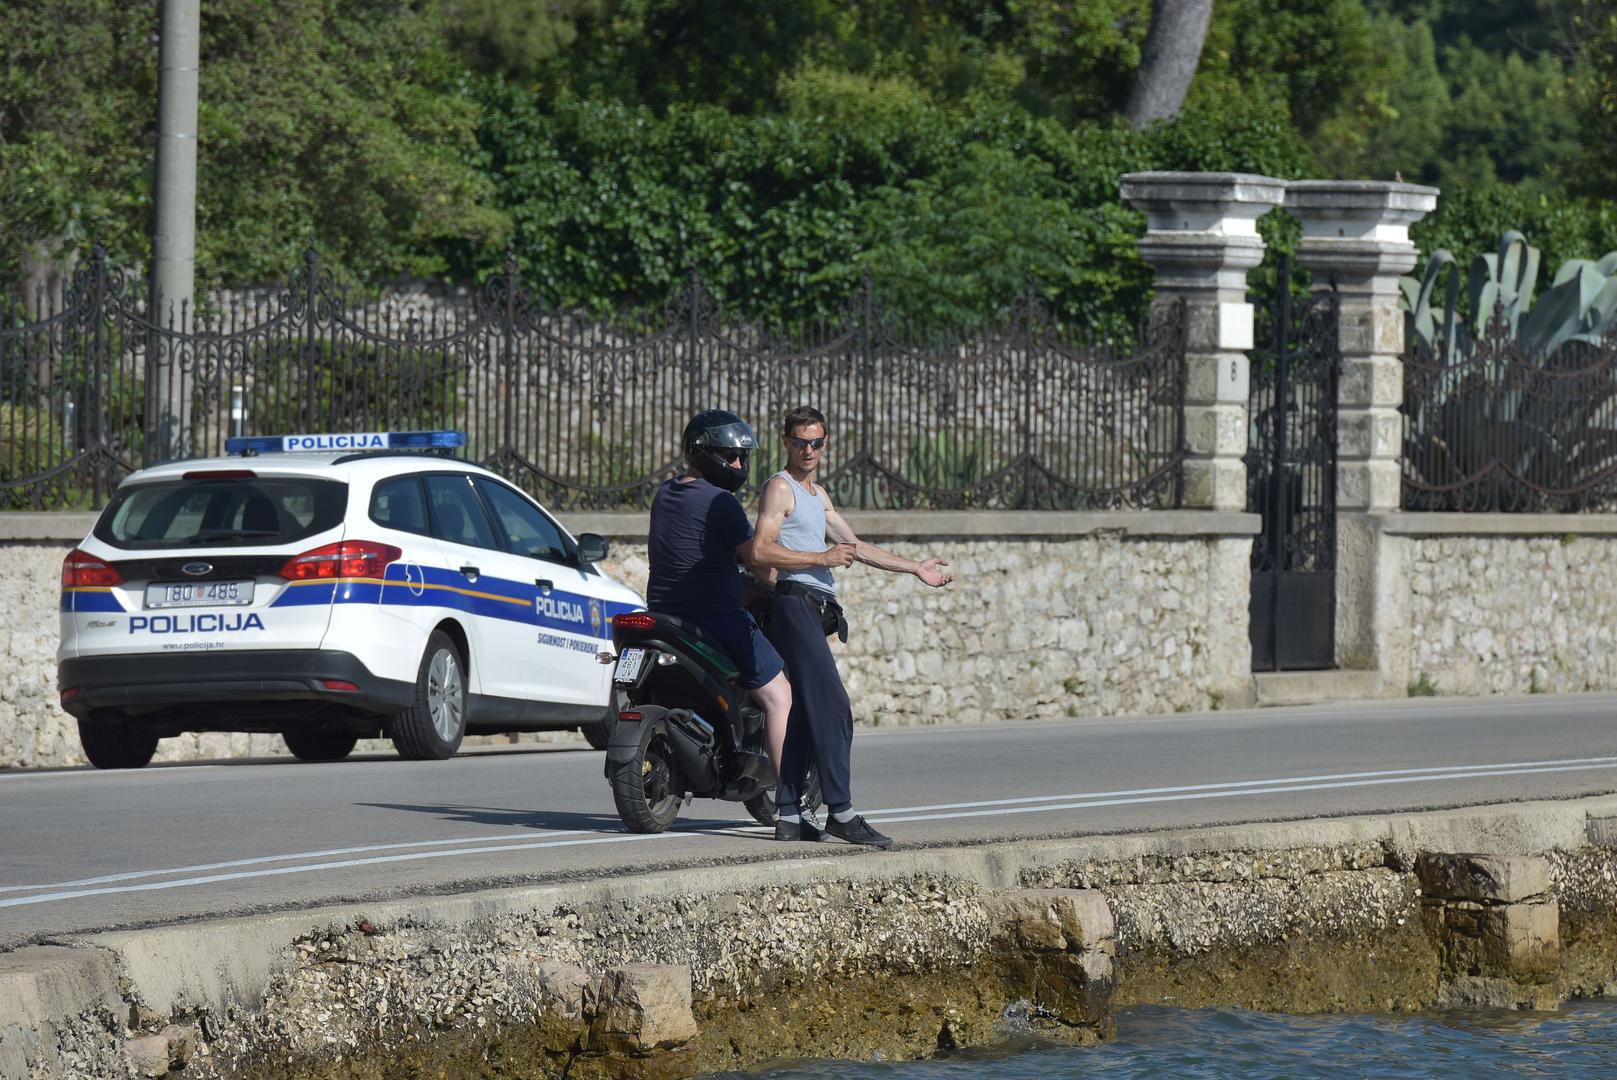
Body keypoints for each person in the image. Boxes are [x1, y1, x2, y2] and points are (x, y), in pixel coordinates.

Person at [752, 405, 954, 848]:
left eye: (817, 443)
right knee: (835, 708)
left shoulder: (817, 495)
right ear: (786, 442)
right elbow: (762, 551)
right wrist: (819, 558)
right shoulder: (779, 489)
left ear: (825, 444)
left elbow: (856, 547)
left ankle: (788, 814)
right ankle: (841, 812)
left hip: (812, 607)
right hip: (793, 605)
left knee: (807, 712)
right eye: (801, 442)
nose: (809, 450)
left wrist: (914, 568)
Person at [645, 409, 848, 780]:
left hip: (663, 612)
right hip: (715, 616)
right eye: (730, 456)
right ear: (705, 453)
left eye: (742, 457)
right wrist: (784, 583)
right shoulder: (722, 503)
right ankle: (791, 798)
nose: (738, 464)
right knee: (779, 696)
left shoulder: (665, 493)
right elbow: (758, 561)